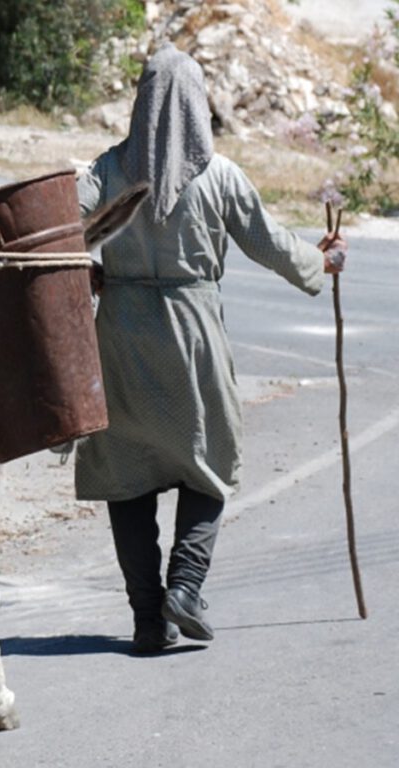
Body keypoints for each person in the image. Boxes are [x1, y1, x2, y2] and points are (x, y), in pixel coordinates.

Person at [74, 44, 347, 653]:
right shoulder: (219, 177)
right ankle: (186, 588)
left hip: (119, 337)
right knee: (211, 457)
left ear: (140, 102)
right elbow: (272, 246)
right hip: (193, 336)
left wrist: (90, 272)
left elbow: (63, 228)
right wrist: (323, 259)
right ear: (199, 106)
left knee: (127, 477)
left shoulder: (107, 171)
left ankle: (149, 619)